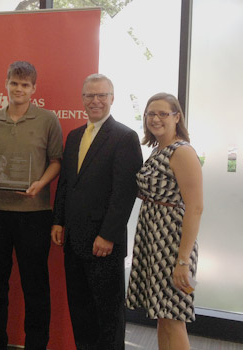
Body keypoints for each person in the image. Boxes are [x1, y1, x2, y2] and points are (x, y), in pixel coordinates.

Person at [51, 74, 143, 350]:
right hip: (74, 240)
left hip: (103, 243)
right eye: (90, 96)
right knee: (80, 311)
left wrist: (108, 235)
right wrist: (58, 221)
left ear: (112, 98)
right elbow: (67, 183)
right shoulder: (75, 135)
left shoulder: (125, 137)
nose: (95, 101)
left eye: (101, 95)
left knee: (108, 315)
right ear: (82, 100)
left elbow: (123, 193)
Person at [0, 61, 63, 350]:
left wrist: (41, 184)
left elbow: (56, 162)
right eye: (14, 83)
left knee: (35, 286)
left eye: (25, 85)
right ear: (6, 84)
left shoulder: (48, 120)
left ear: (33, 89)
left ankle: (36, 344)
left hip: (34, 213)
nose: (19, 89)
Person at [126, 93, 203, 350]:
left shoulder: (182, 152)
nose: (155, 119)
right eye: (150, 114)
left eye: (162, 114)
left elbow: (195, 207)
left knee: (174, 317)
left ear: (176, 117)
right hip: (153, 236)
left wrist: (183, 259)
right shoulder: (158, 149)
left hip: (172, 239)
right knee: (162, 315)